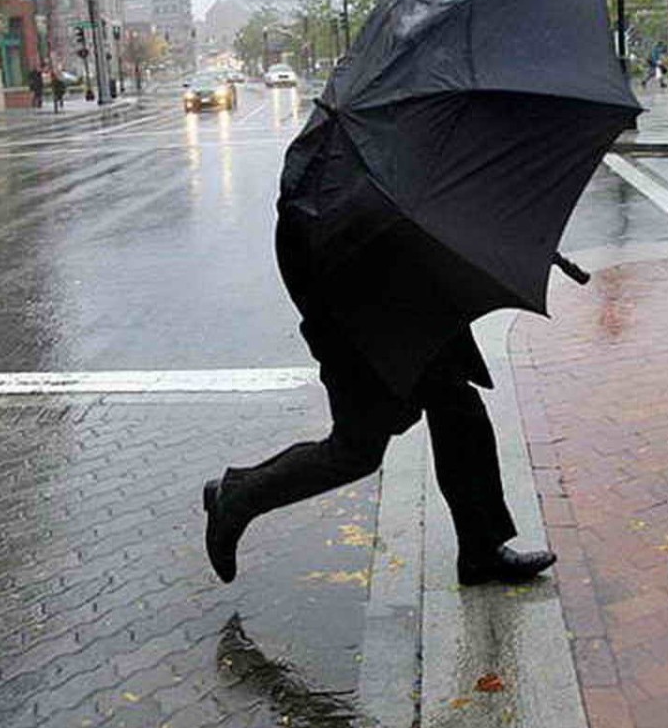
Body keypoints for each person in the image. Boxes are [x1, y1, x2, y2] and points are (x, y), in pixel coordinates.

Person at [201, 197, 557, 588]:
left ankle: (480, 549)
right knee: (356, 451)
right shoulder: (328, 182)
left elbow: (442, 204)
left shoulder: (396, 149)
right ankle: (237, 496)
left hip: (418, 308)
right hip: (361, 324)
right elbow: (319, 259)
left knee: (460, 413)